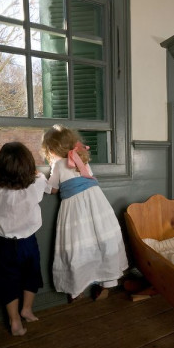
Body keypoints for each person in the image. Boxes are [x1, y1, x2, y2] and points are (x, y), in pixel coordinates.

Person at [0, 142, 51, 336]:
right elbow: (41, 176)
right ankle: (27, 309)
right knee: (32, 275)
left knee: (7, 281)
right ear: (28, 167)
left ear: (0, 167)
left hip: (3, 245)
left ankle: (15, 321)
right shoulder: (36, 185)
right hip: (29, 242)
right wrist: (32, 169)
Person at [42, 124, 128, 302]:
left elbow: (52, 189)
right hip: (97, 204)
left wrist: (41, 178)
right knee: (102, 240)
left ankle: (76, 288)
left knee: (77, 245)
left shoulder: (58, 164)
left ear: (52, 149)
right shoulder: (83, 160)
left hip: (75, 209)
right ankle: (108, 282)